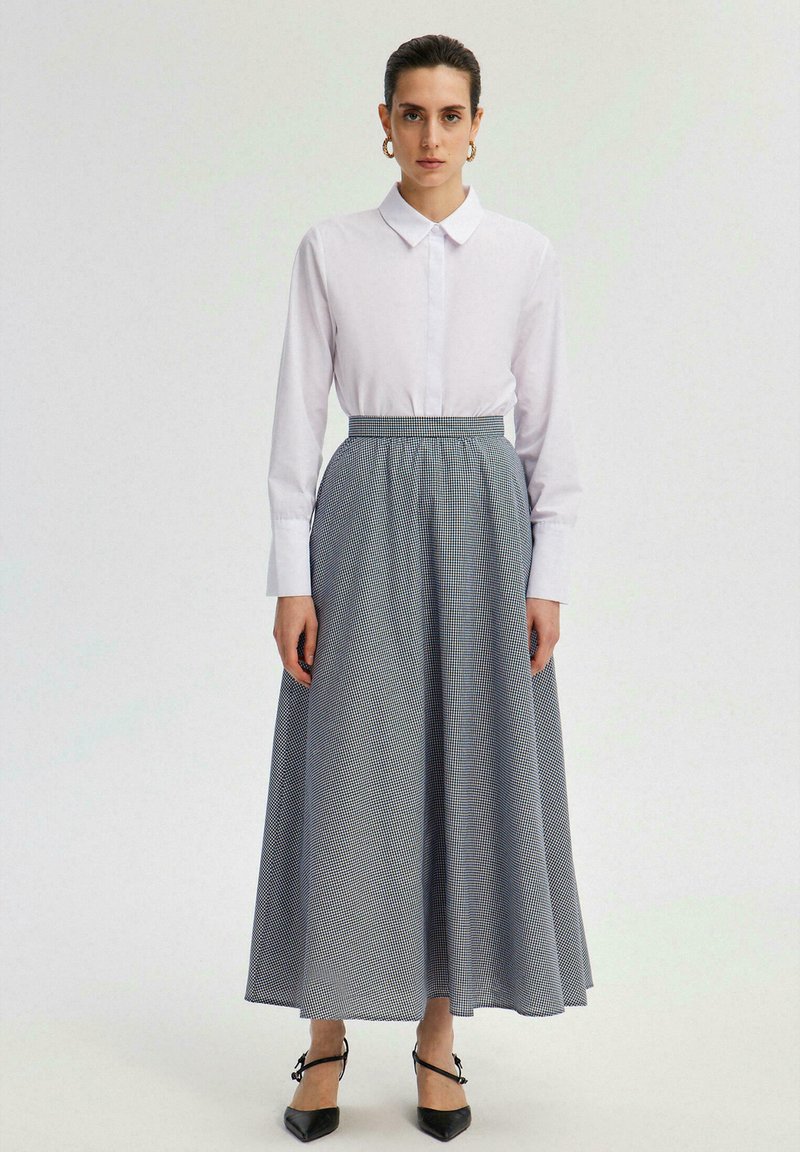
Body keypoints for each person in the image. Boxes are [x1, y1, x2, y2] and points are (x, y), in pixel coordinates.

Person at [244, 33, 594, 1144]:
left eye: (450, 115)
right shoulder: (331, 248)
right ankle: (326, 1032)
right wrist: (290, 576)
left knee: (466, 769)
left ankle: (438, 1036)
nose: (430, 135)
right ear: (384, 124)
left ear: (477, 126)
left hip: (485, 512)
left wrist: (549, 574)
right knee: (349, 767)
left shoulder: (524, 254)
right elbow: (298, 414)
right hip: (366, 502)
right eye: (412, 114)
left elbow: (546, 424)